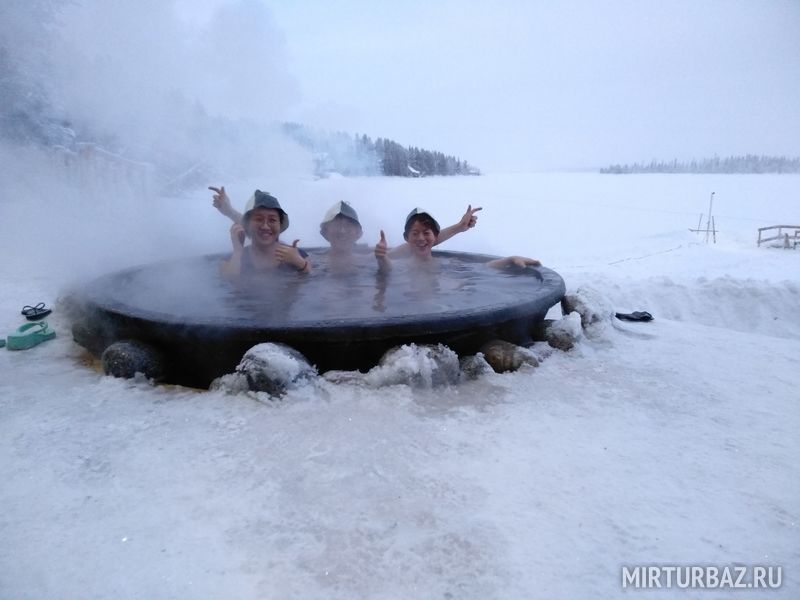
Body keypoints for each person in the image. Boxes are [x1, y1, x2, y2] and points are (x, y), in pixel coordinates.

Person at [209, 186, 481, 264]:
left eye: (348, 227)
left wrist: (458, 227)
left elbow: (418, 245)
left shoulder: (366, 258)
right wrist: (231, 212)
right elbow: (264, 236)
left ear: (358, 233)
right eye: (335, 227)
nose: (341, 231)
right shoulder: (311, 259)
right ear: (324, 233)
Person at [375, 207, 540, 272]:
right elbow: (388, 270)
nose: (421, 238)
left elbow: (481, 270)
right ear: (407, 238)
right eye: (415, 233)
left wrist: (509, 259)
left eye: (426, 233)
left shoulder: (446, 264)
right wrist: (382, 258)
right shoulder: (402, 266)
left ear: (435, 236)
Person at [216, 188, 310, 283]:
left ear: (280, 225)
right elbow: (228, 283)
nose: (265, 226)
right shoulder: (232, 259)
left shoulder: (297, 255)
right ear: (247, 224)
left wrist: (299, 262)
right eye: (259, 219)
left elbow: (311, 276)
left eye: (272, 220)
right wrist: (238, 251)